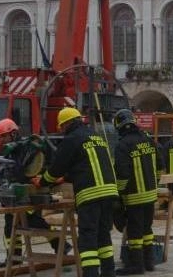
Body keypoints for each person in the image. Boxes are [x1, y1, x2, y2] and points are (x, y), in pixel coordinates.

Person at [33, 107, 119, 277]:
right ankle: (109, 272)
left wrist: (42, 181)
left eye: (61, 127)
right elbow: (87, 165)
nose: (62, 130)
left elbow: (56, 168)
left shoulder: (71, 139)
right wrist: (66, 178)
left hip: (90, 195)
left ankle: (91, 274)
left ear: (66, 124)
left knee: (87, 240)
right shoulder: (96, 136)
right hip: (109, 193)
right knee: (103, 236)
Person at [0, 118, 70, 268]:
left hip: (31, 191)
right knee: (9, 225)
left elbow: (26, 172)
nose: (1, 140)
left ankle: (62, 245)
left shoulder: (28, 148)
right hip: (16, 193)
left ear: (13, 134)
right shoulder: (11, 149)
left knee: (34, 222)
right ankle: (14, 257)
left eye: (3, 136)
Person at [112, 109, 158, 275]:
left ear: (119, 125)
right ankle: (149, 263)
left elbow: (123, 174)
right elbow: (160, 166)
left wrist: (118, 193)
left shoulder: (123, 145)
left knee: (135, 232)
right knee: (147, 229)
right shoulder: (148, 140)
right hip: (151, 195)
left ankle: (136, 266)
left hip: (134, 197)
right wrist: (154, 183)